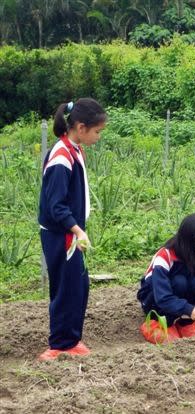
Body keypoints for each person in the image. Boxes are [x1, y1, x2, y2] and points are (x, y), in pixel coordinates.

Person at [38, 98, 107, 361]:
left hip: (71, 233)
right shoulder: (60, 158)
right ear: (80, 127)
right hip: (61, 234)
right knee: (65, 287)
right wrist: (78, 230)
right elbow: (56, 206)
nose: (98, 137)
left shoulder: (73, 149)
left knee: (78, 285)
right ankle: (58, 344)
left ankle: (72, 339)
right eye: (97, 131)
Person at [137, 213, 195, 344]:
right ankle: (160, 323)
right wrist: (188, 309)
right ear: (187, 238)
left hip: (183, 307)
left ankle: (186, 322)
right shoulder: (165, 256)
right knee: (179, 282)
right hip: (156, 302)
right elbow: (162, 296)